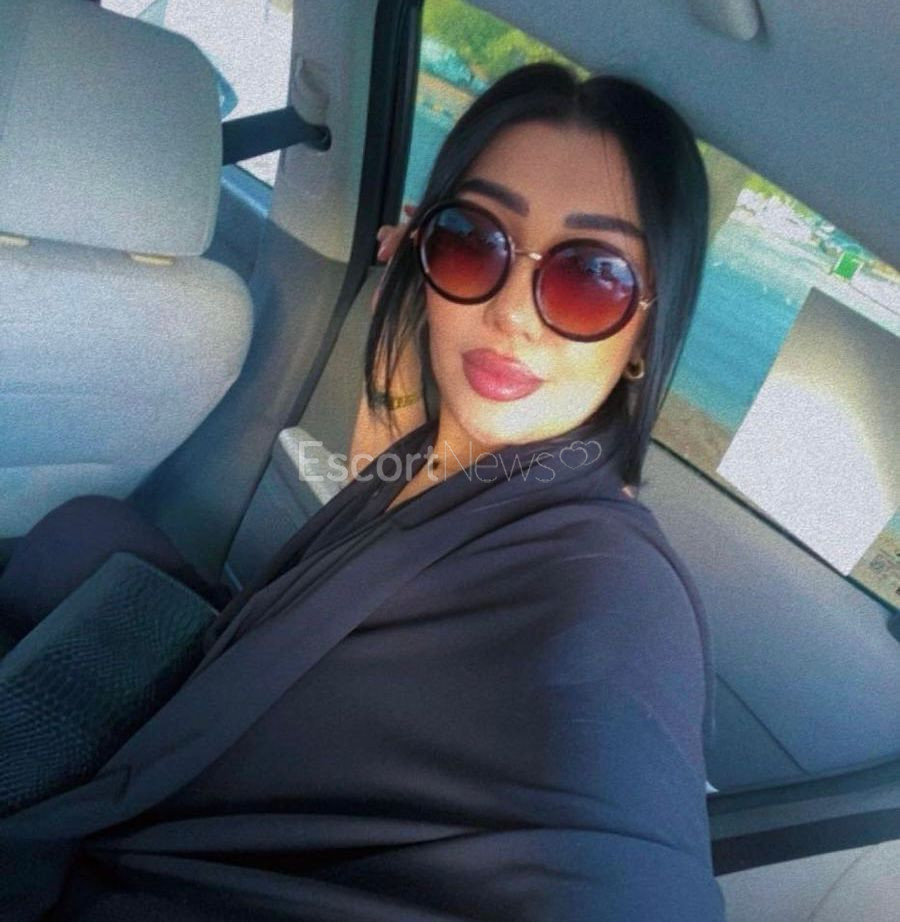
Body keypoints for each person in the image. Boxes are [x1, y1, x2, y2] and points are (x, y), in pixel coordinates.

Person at [0, 62, 725, 920]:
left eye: (589, 277)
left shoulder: (612, 595)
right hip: (213, 729)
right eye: (472, 239)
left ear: (649, 328)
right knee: (85, 529)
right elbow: (382, 476)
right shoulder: (438, 456)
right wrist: (405, 292)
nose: (510, 313)